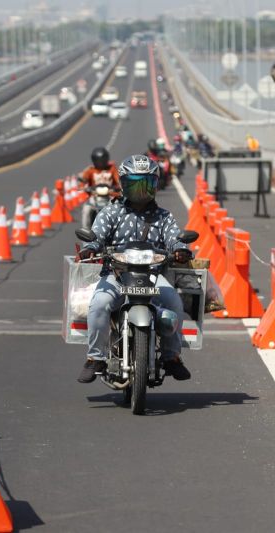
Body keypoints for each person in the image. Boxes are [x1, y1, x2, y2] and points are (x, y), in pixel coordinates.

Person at [77, 154, 193, 384]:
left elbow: (173, 239)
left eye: (146, 184)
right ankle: (95, 358)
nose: (140, 190)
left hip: (153, 275)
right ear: (123, 184)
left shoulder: (164, 217)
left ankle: (172, 357)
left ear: (156, 185)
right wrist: (91, 247)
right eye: (134, 184)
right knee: (99, 304)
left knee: (174, 303)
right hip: (117, 274)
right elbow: (97, 235)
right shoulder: (111, 212)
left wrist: (180, 249)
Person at [79, 147, 121, 230]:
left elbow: (119, 181)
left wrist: (118, 187)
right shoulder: (90, 170)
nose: (101, 163)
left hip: (110, 195)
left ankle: (119, 229)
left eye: (103, 161)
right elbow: (83, 182)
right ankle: (85, 231)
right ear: (94, 161)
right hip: (95, 196)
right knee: (86, 210)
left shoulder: (112, 168)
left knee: (120, 209)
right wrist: (84, 187)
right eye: (99, 161)